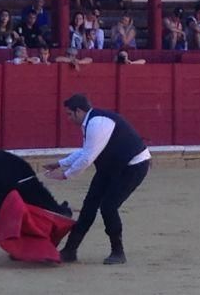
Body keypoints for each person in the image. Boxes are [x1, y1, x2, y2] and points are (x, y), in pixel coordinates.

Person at [44, 93, 150, 265]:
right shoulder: (92, 122)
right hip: (111, 166)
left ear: (79, 111)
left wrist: (65, 174)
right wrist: (60, 163)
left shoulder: (97, 123)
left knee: (108, 206)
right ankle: (70, 251)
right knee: (89, 206)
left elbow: (88, 157)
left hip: (133, 166)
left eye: (69, 114)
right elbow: (85, 151)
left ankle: (118, 251)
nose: (68, 118)